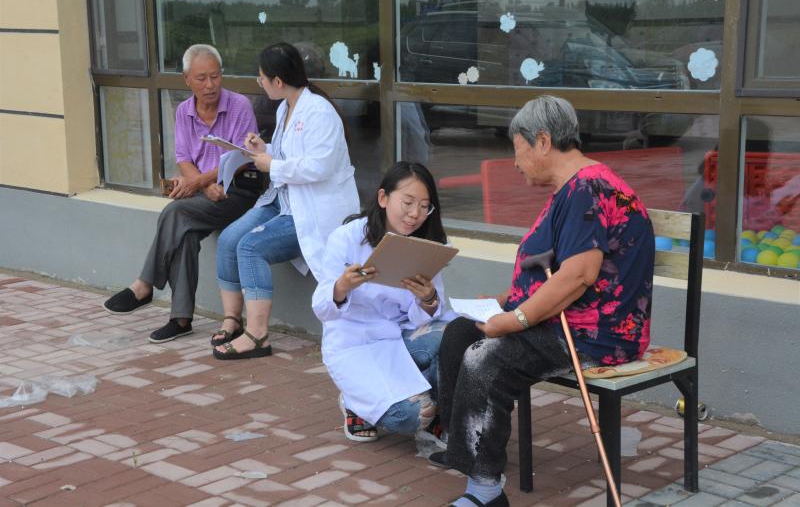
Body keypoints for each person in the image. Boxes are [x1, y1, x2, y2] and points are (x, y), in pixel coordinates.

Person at [431, 95, 655, 507]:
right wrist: (504, 300)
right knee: (460, 332)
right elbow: (551, 268)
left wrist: (515, 318)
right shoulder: (574, 188)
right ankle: (466, 449)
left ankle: (485, 491)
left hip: (594, 333)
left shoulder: (587, 188)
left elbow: (579, 275)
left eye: (518, 150)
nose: (516, 163)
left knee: (487, 357)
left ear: (543, 141)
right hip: (564, 319)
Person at [103, 44, 261, 344]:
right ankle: (180, 319)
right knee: (185, 234)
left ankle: (145, 285)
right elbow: (183, 158)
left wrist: (201, 181)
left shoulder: (239, 105)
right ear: (187, 79)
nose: (210, 85)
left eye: (215, 76)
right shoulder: (183, 111)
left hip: (238, 191)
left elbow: (243, 156)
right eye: (201, 78)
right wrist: (202, 185)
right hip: (205, 192)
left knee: (175, 212)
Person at [212, 42, 359, 359]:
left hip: (311, 209)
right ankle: (232, 320)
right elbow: (287, 155)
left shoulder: (319, 112)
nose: (260, 83)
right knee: (229, 240)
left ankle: (257, 335)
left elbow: (319, 167)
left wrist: (271, 166)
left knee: (250, 247)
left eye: (262, 78)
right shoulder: (285, 108)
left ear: (278, 81)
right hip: (284, 200)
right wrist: (262, 150)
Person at [311, 162, 452, 442]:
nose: (415, 214)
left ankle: (434, 405)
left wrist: (428, 298)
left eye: (425, 206)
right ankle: (355, 402)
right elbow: (321, 308)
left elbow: (434, 310)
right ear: (383, 198)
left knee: (454, 338)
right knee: (411, 416)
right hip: (355, 343)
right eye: (408, 202)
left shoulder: (426, 243)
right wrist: (342, 287)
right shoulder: (347, 238)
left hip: (401, 336)